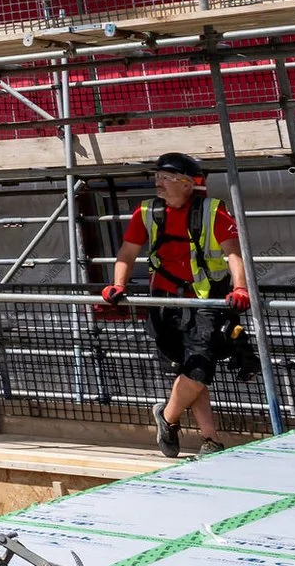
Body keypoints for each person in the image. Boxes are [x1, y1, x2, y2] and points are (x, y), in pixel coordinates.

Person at [99, 151, 249, 458]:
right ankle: (211, 440)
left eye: (166, 178)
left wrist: (240, 288)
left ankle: (167, 417)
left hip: (204, 301)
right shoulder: (146, 212)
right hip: (164, 304)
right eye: (157, 177)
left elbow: (235, 253)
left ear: (186, 184)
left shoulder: (213, 211)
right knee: (188, 368)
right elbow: (126, 254)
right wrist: (118, 285)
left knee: (199, 368)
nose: (158, 183)